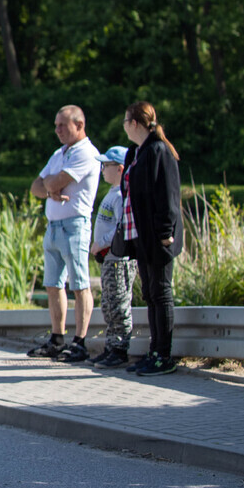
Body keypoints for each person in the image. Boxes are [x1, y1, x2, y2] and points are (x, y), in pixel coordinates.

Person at [28, 106, 99, 362]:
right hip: (54, 226)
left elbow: (54, 182)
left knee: (79, 284)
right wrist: (50, 189)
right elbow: (37, 186)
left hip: (75, 225)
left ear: (79, 125)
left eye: (62, 125)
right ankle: (57, 338)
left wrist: (51, 185)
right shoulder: (60, 153)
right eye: (56, 125)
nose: (57, 130)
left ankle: (79, 341)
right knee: (53, 284)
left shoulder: (87, 153)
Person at [121, 101, 183, 377]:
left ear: (135, 123)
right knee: (149, 294)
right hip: (140, 237)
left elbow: (168, 195)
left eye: (125, 121)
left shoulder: (159, 151)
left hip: (158, 238)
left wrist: (165, 234)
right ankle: (153, 351)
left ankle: (163, 355)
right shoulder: (136, 153)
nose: (123, 126)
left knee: (161, 292)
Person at [88, 146, 134, 368]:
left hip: (117, 260)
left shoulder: (122, 196)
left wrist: (101, 243)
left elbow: (120, 226)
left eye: (106, 166)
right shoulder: (112, 191)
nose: (102, 170)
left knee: (119, 303)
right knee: (108, 303)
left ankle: (120, 349)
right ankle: (110, 346)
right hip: (108, 260)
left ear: (120, 169)